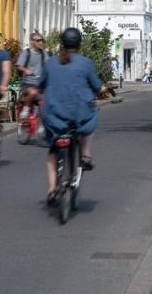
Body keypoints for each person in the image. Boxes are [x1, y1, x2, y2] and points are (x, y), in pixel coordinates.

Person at [40, 28, 109, 205]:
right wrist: (103, 90)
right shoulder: (85, 63)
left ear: (62, 43)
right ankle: (85, 156)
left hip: (55, 115)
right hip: (79, 115)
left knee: (52, 152)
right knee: (89, 120)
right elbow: (96, 86)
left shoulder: (50, 63)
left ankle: (52, 189)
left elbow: (40, 85)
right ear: (79, 44)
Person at [16, 32, 46, 121]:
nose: (40, 42)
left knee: (49, 99)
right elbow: (19, 66)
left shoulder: (43, 53)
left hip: (40, 83)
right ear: (32, 42)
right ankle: (26, 108)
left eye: (41, 40)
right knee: (33, 92)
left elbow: (49, 64)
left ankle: (42, 124)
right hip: (28, 82)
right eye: (38, 40)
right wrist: (26, 70)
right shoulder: (26, 53)